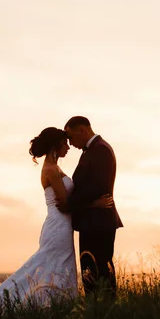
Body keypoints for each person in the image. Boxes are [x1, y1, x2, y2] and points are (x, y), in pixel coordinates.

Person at [0, 127, 112, 309]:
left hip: (63, 225)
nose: (68, 147)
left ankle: (57, 304)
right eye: (64, 144)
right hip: (58, 226)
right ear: (56, 146)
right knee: (51, 265)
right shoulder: (51, 170)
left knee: (60, 266)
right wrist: (95, 204)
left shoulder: (55, 167)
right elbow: (64, 202)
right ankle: (10, 303)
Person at [58, 116, 123, 299]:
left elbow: (98, 187)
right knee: (90, 271)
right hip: (91, 219)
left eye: (71, 137)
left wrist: (69, 205)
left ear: (82, 130)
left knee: (100, 270)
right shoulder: (91, 150)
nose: (70, 143)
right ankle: (95, 308)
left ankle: (106, 310)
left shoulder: (100, 150)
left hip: (99, 221)